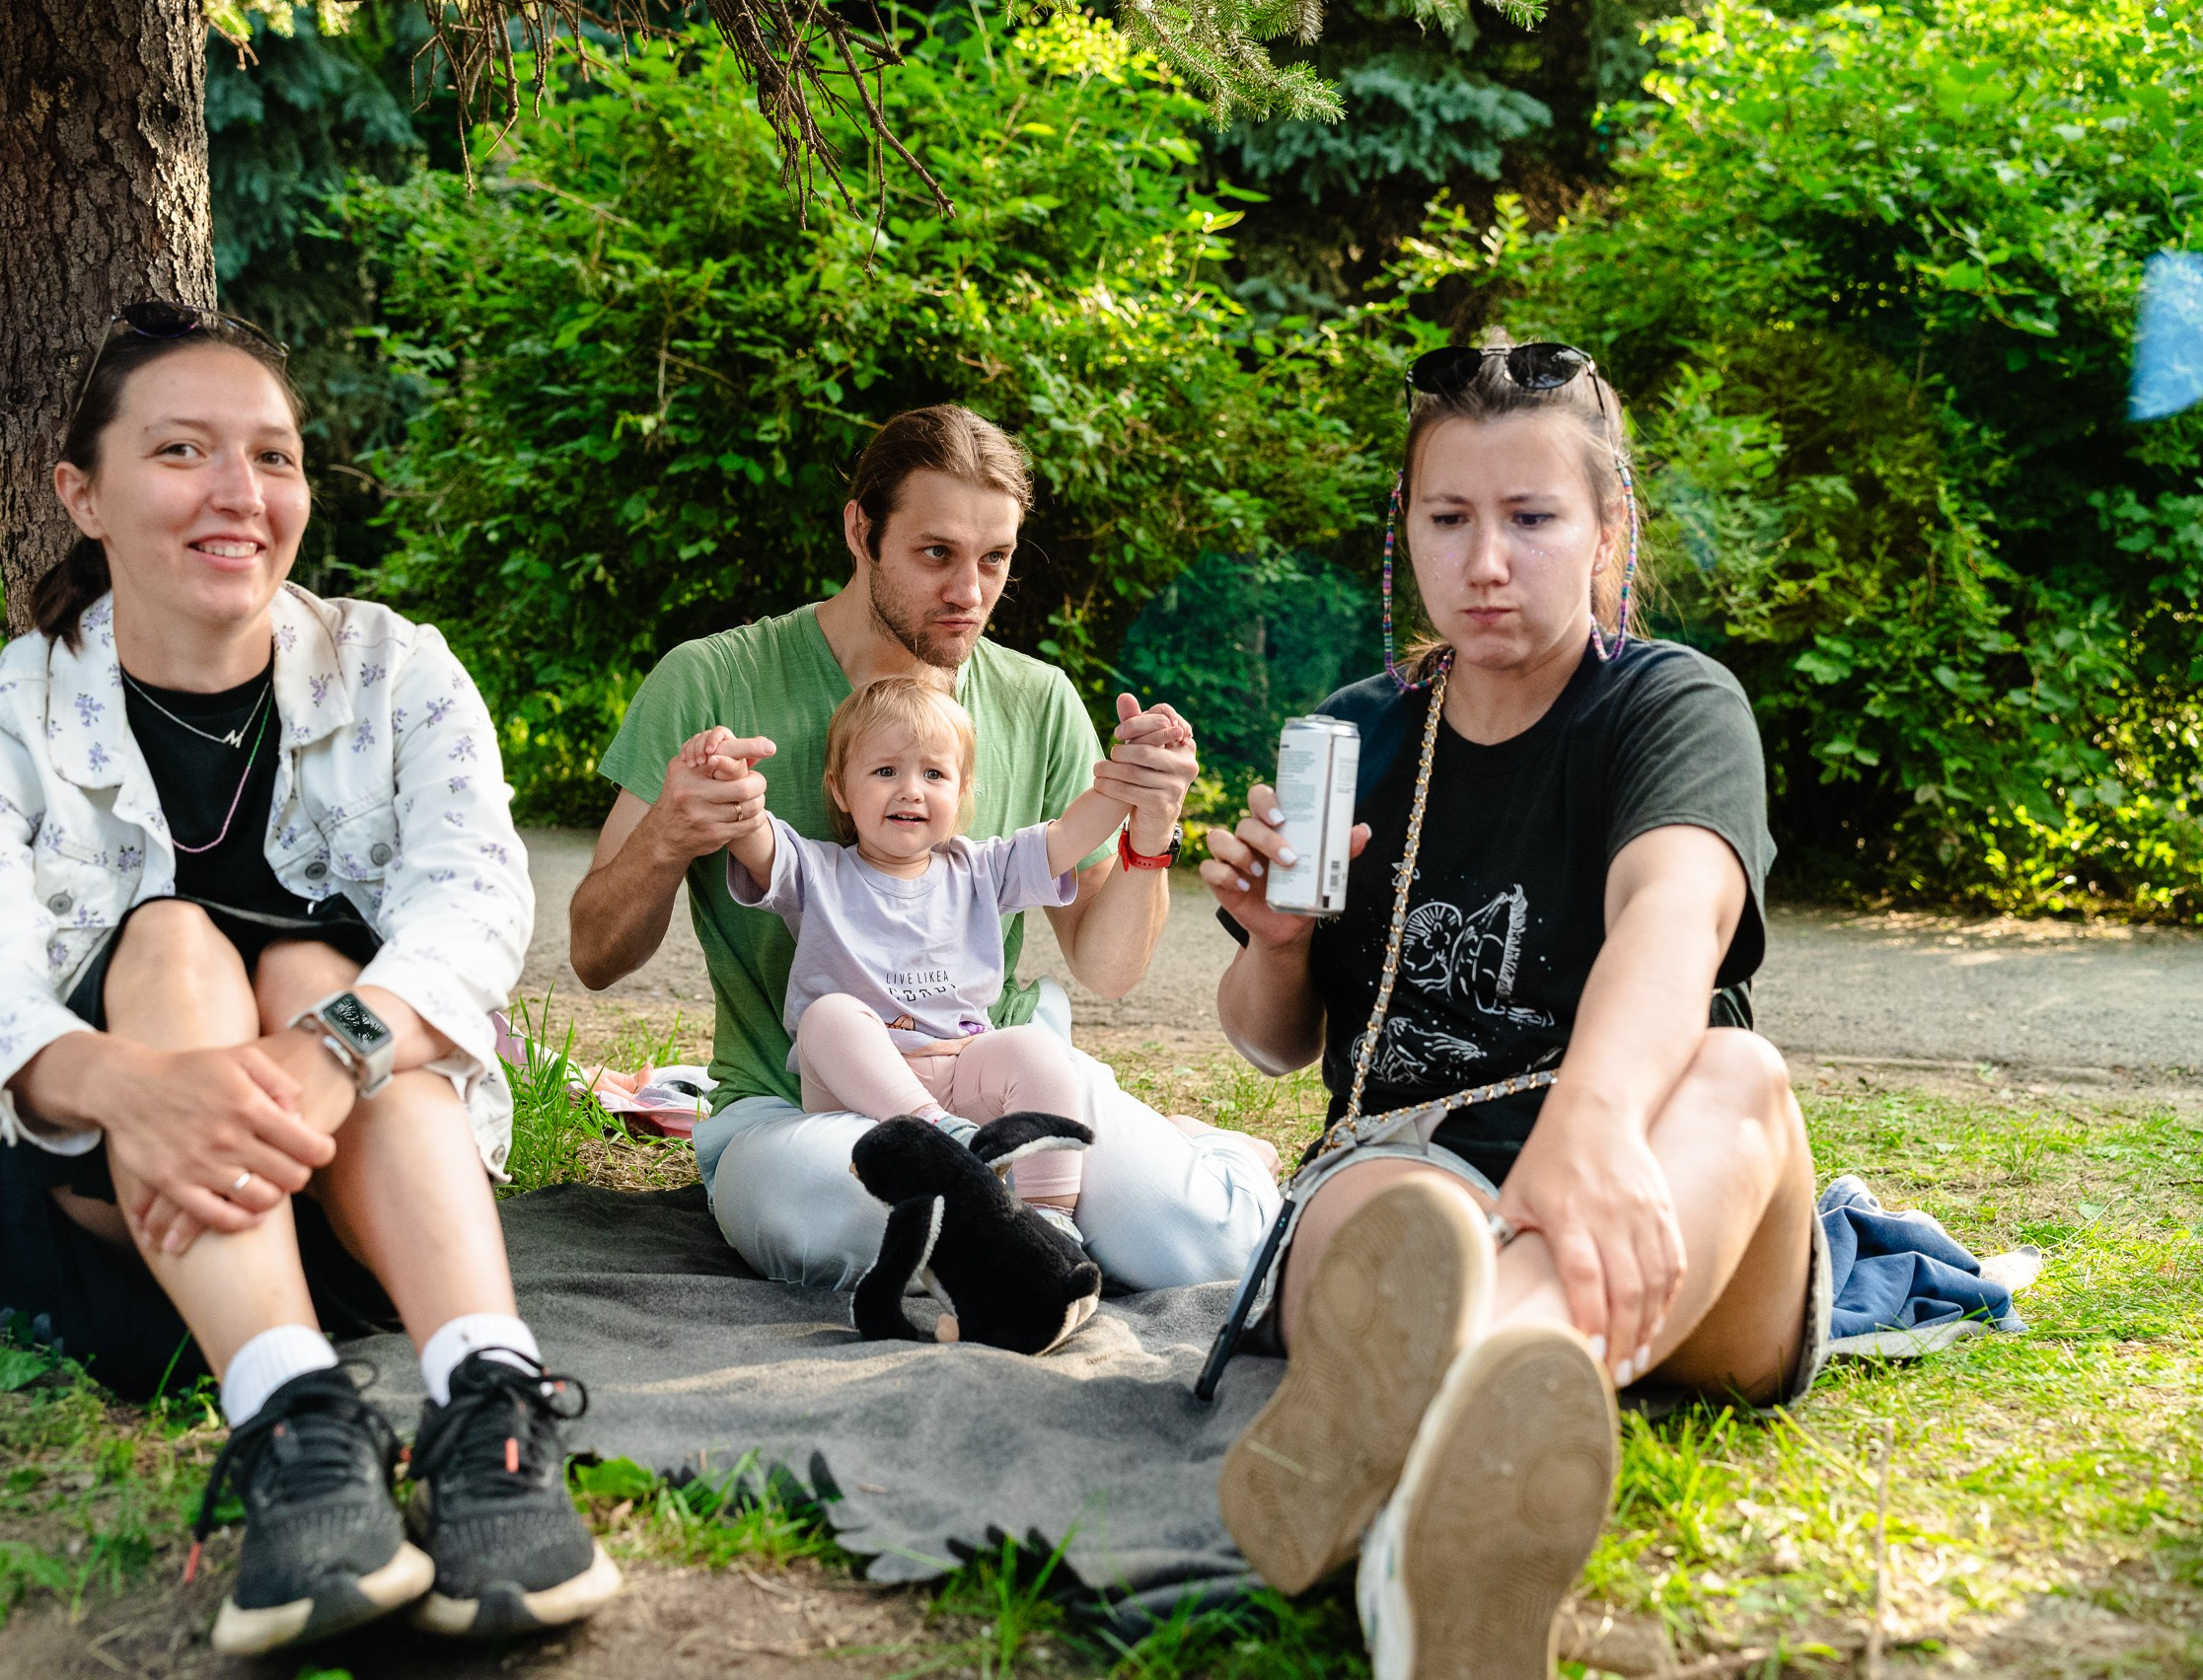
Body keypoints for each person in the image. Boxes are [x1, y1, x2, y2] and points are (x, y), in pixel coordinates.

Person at [0, 302, 618, 1655]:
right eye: (182, 449)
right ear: (82, 494)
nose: (240, 491)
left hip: (371, 1215)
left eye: (273, 455)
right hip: (111, 1219)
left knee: (314, 969)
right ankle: (291, 1419)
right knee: (174, 941)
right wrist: (136, 1088)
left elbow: (475, 898)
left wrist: (329, 1045)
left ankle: (489, 1408)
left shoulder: (397, 670)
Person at [1199, 339, 1821, 1678]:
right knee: (1396, 1221)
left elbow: (1676, 910)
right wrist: (1280, 942)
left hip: (1659, 1193)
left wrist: (1591, 1125)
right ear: (1406, 531)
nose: (1486, 562)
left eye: (1532, 518)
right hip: (1413, 1165)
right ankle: (1455, 1496)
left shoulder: (1668, 702)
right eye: (1449, 518)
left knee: (1741, 1075)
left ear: (1609, 528)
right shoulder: (1354, 733)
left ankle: (1437, 1425)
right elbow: (1271, 1040)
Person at [572, 403, 1280, 1294]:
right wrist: (668, 835)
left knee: (1203, 1245)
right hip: (797, 1114)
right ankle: (1030, 1208)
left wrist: (1148, 829)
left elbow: (1108, 969)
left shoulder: (1038, 700)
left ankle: (1200, 1155)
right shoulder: (713, 679)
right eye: (937, 553)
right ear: (860, 531)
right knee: (870, 1215)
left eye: (995, 559)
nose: (969, 593)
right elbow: (595, 954)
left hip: (998, 1073)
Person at [698, 675, 1188, 1236]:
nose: (911, 790)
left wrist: (1128, 779)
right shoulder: (815, 869)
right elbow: (755, 838)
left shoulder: (981, 869)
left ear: (961, 791)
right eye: (886, 771)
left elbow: (1068, 836)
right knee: (827, 1017)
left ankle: (1048, 1220)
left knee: (1036, 1049)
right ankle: (938, 1135)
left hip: (963, 1069)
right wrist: (730, 785)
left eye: (934, 774)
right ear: (840, 790)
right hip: (855, 1093)